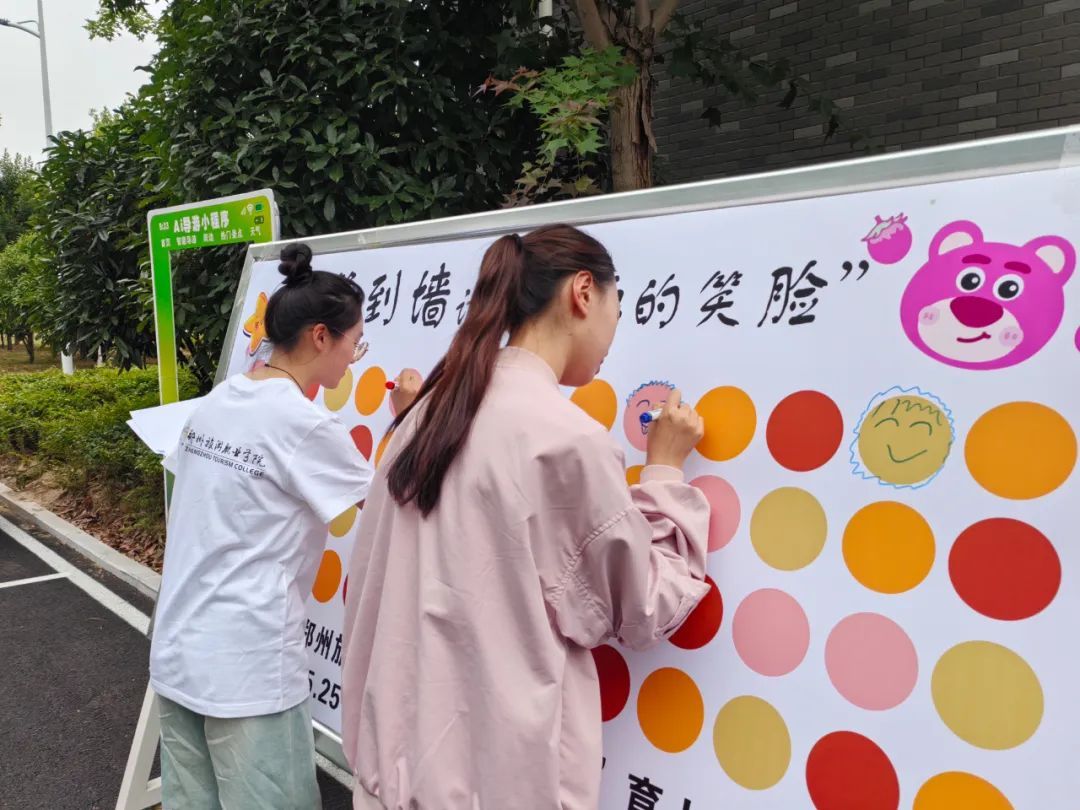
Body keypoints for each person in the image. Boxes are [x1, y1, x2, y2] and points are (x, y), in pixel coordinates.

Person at [341, 225, 712, 810]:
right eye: (619, 307)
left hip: (391, 777)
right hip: (496, 785)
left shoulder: (426, 415)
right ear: (583, 293)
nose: (616, 328)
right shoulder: (565, 439)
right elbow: (642, 607)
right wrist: (664, 473)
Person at [150, 243, 410, 809]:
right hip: (249, 667)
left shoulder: (220, 399)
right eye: (355, 342)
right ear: (320, 336)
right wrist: (411, 418)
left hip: (179, 649)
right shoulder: (304, 424)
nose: (353, 359)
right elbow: (396, 503)